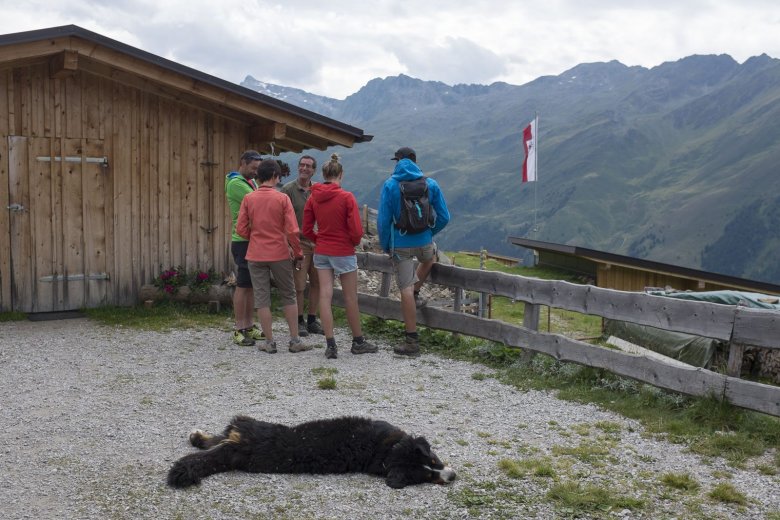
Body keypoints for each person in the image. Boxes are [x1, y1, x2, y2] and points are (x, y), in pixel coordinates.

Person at [377, 147, 450, 356]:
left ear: (398, 161)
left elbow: (383, 221)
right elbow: (444, 217)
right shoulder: (430, 184)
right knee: (431, 257)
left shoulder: (391, 185)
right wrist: (428, 233)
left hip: (400, 244)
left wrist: (386, 245)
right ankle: (417, 292)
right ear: (416, 161)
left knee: (405, 289)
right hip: (425, 242)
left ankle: (411, 342)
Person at [303, 154, 377, 359]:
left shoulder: (313, 197)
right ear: (341, 175)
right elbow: (355, 230)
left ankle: (331, 344)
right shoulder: (346, 197)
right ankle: (358, 342)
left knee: (325, 296)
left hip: (322, 251)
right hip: (343, 250)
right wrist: (352, 242)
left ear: (323, 174)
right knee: (350, 297)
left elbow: (306, 228)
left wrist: (318, 240)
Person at [236, 159, 312, 354]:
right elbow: (293, 231)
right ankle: (294, 340)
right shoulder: (282, 198)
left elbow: (241, 229)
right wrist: (298, 252)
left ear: (259, 176)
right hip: (279, 253)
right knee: (289, 295)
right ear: (276, 176)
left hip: (256, 253)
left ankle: (269, 342)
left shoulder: (249, 198)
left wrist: (255, 236)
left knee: (262, 299)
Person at [225, 150, 265, 346]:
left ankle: (249, 325)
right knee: (242, 284)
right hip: (242, 240)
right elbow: (261, 201)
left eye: (258, 169)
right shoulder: (236, 184)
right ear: (243, 163)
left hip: (251, 239)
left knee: (249, 285)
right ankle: (239, 328)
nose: (256, 172)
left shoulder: (251, 182)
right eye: (253, 168)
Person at [280, 155, 324, 337]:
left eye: (308, 166)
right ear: (298, 167)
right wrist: (288, 245)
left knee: (317, 283)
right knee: (299, 285)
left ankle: (312, 319)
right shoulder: (288, 190)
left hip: (319, 243)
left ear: (314, 170)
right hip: (299, 243)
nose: (304, 168)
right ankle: (299, 321)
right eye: (302, 165)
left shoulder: (318, 190)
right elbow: (281, 219)